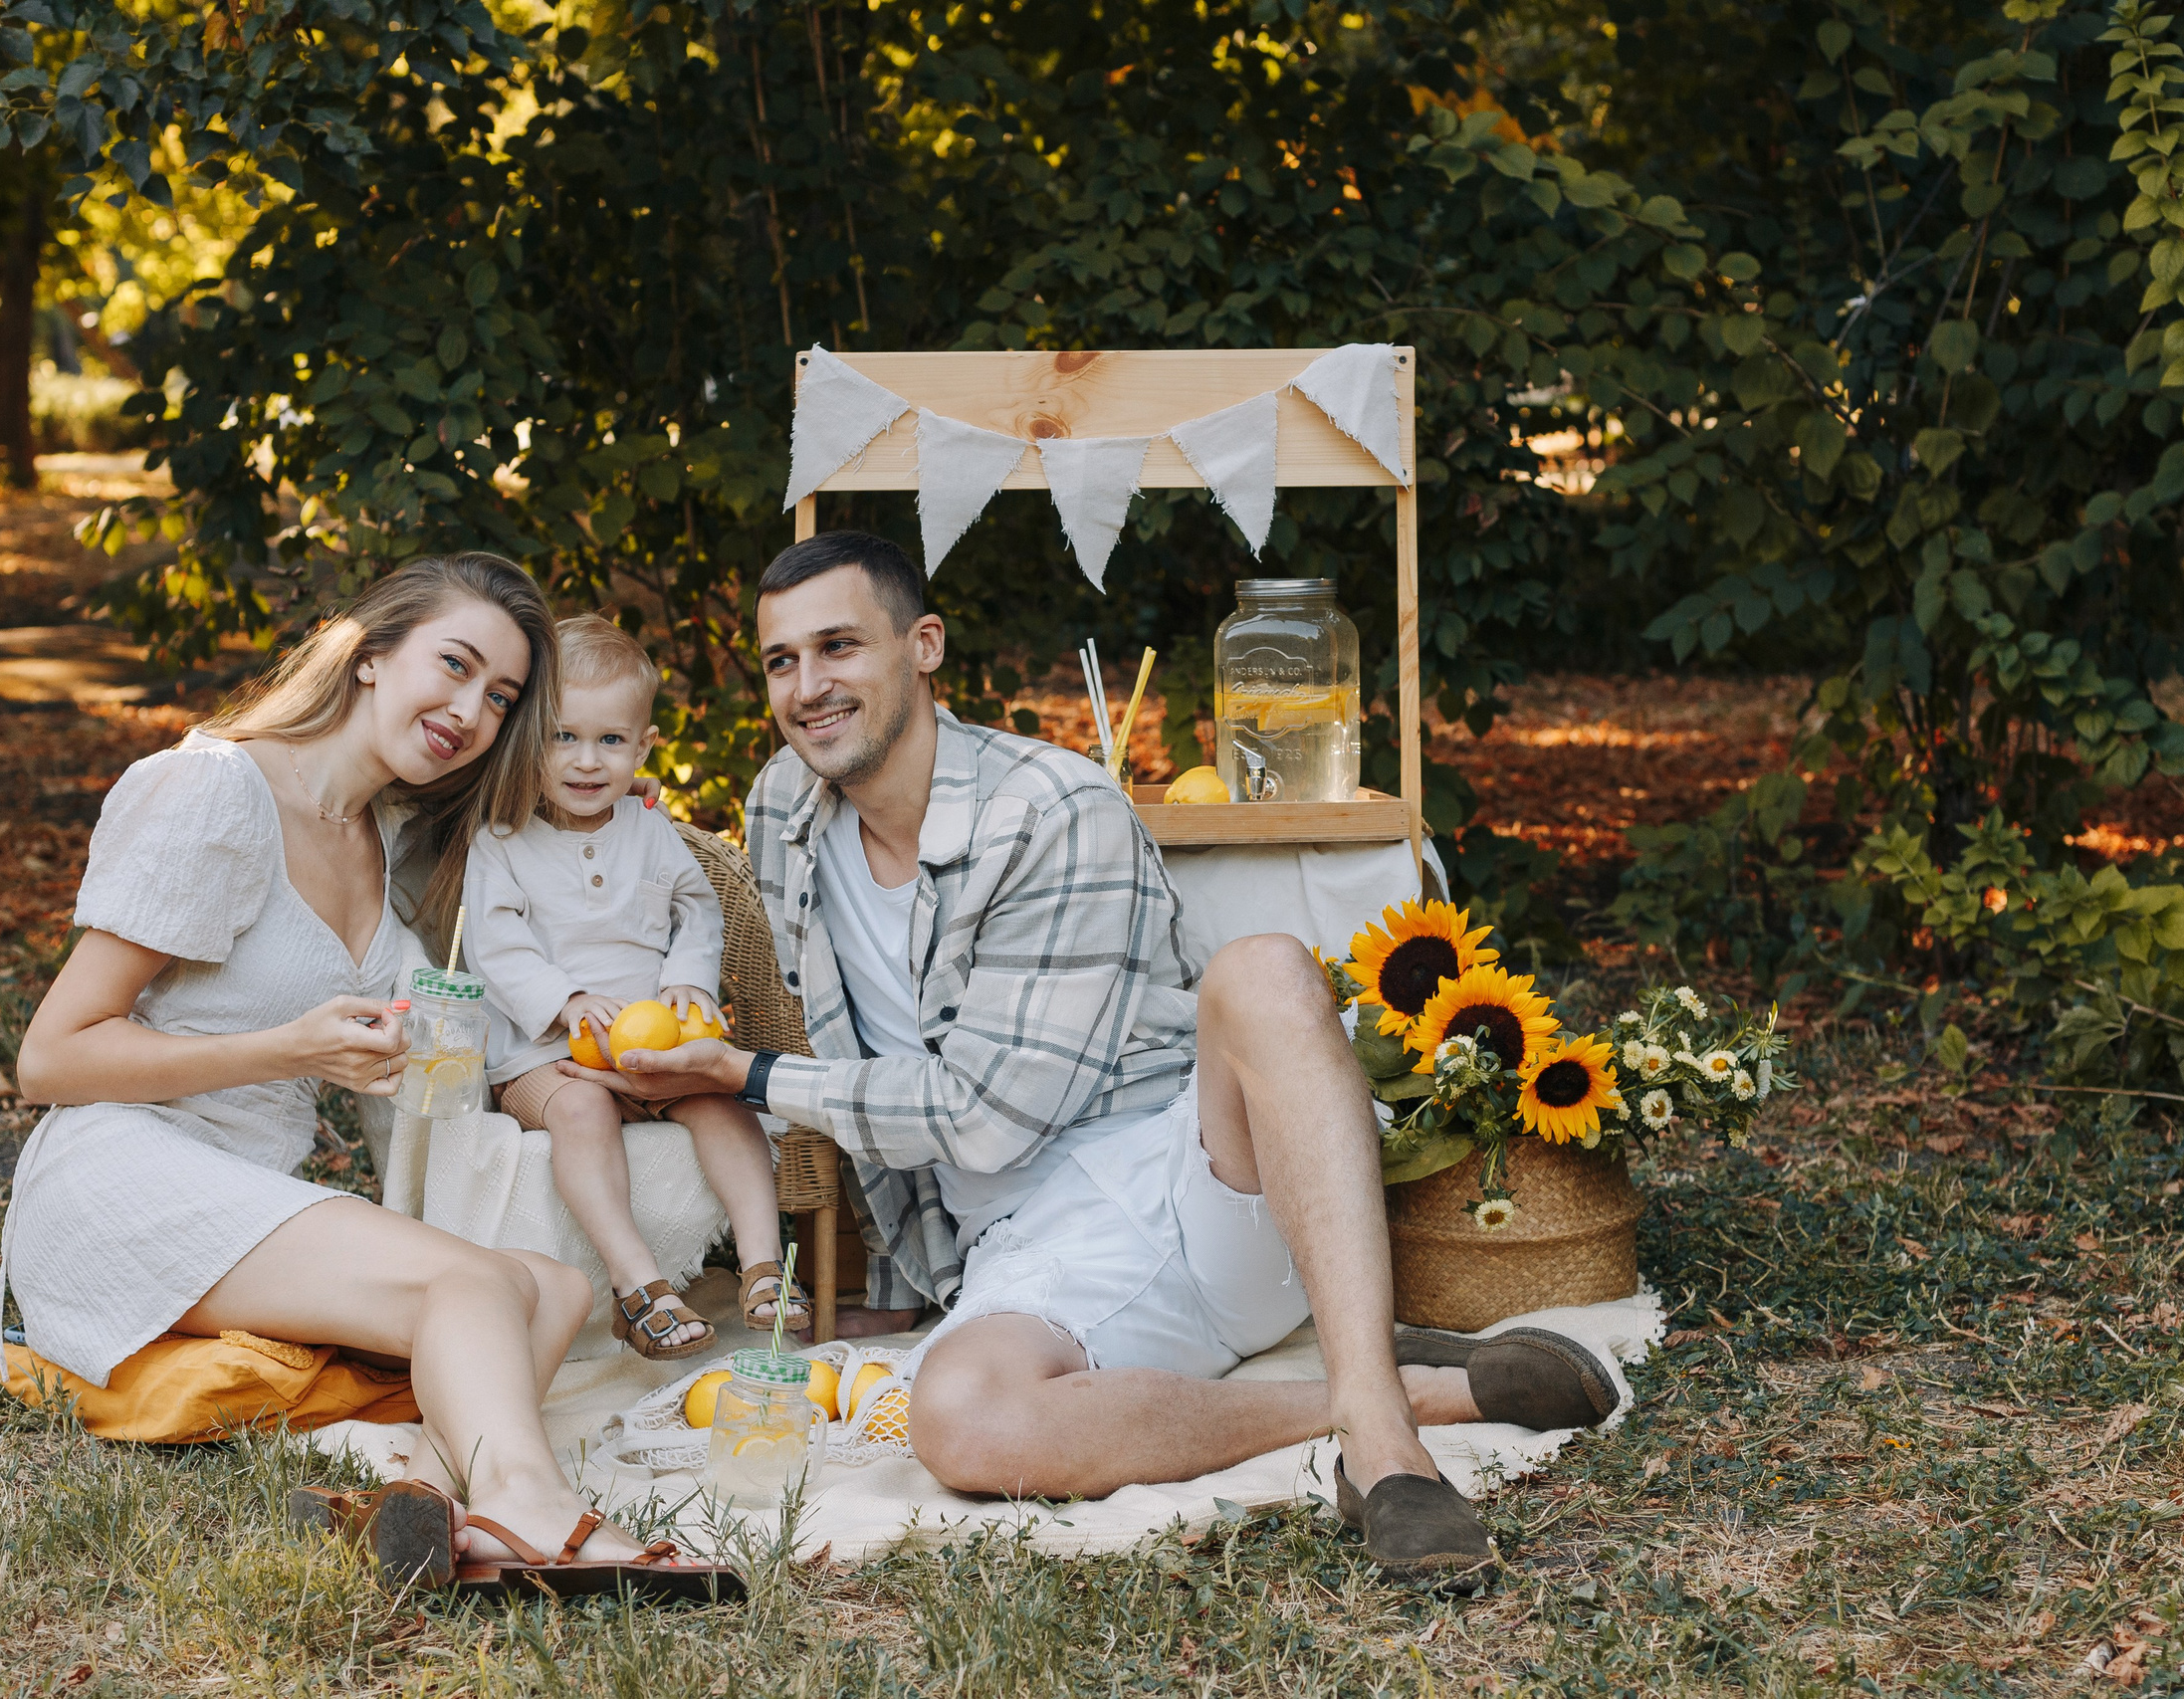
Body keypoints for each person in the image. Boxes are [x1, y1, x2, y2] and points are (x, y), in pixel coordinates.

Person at [572, 531, 1621, 1585]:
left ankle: (1386, 1452)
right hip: (1028, 1248)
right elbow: (866, 1043)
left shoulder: (1050, 807)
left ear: (922, 645)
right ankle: (1417, 1388)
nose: (808, 686)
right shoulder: (780, 808)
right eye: (782, 661)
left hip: (1194, 1178)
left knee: (1262, 969)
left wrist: (740, 1075)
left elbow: (986, 1115)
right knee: (963, 1423)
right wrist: (890, 1272)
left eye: (838, 646)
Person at [4, 554, 736, 1597]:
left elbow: (493, 987)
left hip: (250, 1193)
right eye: (454, 664)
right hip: (122, 1174)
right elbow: (52, 1056)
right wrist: (288, 1050)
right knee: (472, 1281)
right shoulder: (214, 790)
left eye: (502, 698)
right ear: (370, 654)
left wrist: (615, 836)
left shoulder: (392, 837)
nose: (470, 710)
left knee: (559, 1287)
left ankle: (422, 1493)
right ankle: (528, 1504)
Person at [462, 614, 803, 1361]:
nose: (588, 761)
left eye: (612, 741)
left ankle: (763, 1264)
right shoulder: (503, 839)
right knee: (582, 1108)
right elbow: (494, 943)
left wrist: (687, 980)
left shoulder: (649, 826)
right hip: (544, 1056)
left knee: (721, 1098)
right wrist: (564, 1000)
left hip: (650, 1047)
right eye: (564, 737)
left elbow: (697, 909)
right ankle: (639, 1283)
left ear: (644, 747)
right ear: (530, 738)